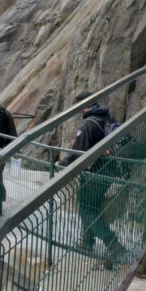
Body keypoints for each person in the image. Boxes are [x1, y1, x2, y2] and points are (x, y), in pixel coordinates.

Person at [59, 92, 128, 264]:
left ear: (85, 106)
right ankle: (87, 241)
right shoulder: (108, 120)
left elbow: (78, 153)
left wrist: (63, 165)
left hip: (94, 174)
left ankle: (114, 245)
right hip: (109, 172)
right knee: (92, 207)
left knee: (86, 210)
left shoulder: (89, 124)